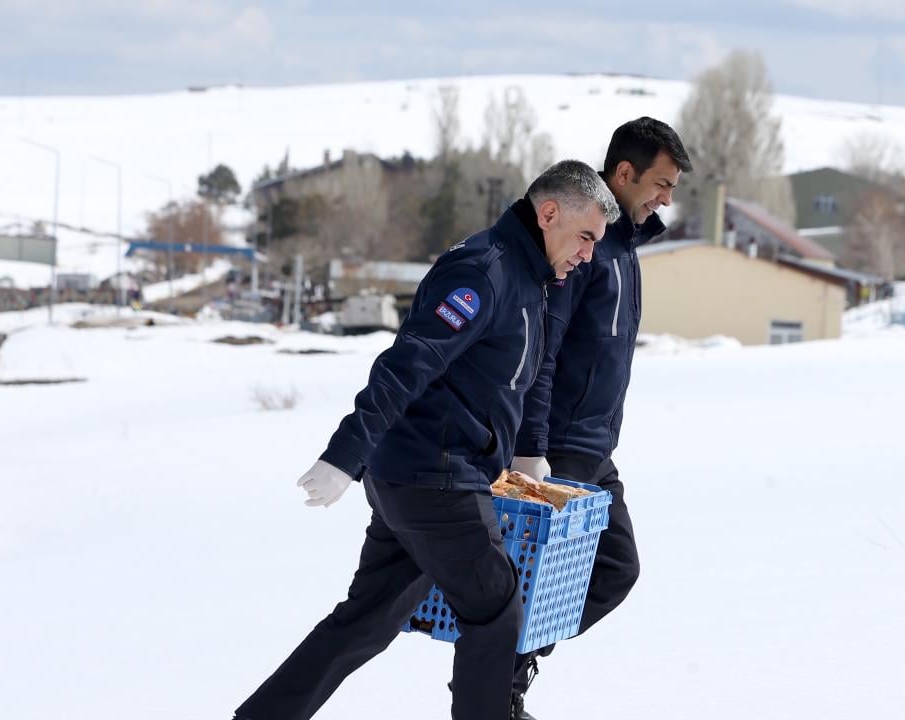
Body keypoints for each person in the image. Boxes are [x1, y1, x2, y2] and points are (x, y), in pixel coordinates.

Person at [232, 160, 620, 720]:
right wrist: (346, 454)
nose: (588, 254)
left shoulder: (532, 280)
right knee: (495, 607)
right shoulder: (483, 271)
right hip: (435, 476)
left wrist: (527, 456)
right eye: (585, 237)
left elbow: (525, 377)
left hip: (424, 476)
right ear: (549, 212)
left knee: (369, 618)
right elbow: (407, 363)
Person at [508, 117, 692, 719]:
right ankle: (497, 683)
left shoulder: (624, 249)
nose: (666, 197)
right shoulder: (588, 247)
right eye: (660, 183)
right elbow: (545, 350)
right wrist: (532, 446)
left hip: (594, 445)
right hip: (558, 445)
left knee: (608, 570)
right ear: (624, 173)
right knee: (584, 571)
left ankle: (504, 673)